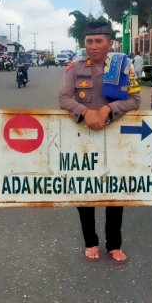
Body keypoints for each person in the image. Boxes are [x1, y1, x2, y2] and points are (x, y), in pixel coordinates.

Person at [58, 19, 141, 263]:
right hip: (83, 138)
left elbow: (135, 100)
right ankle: (90, 241)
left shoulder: (122, 66)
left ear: (109, 43)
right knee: (85, 191)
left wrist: (107, 109)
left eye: (98, 41)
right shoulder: (75, 67)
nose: (93, 46)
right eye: (89, 42)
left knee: (115, 190)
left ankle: (114, 244)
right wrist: (85, 112)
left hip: (115, 138)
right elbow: (63, 98)